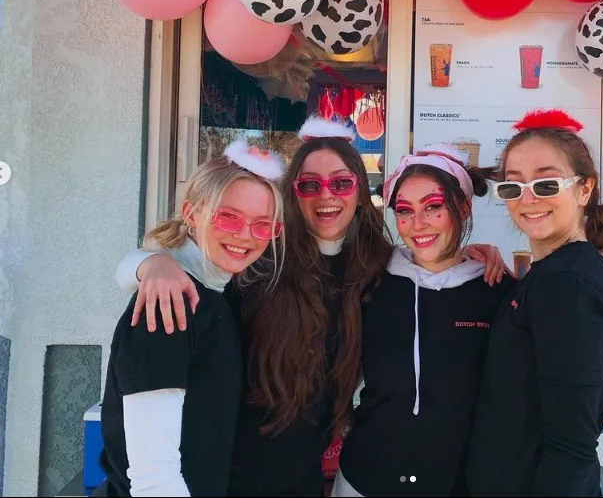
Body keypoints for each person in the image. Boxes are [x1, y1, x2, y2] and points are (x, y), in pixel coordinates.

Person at [114, 117, 508, 497]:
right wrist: (152, 263)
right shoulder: (262, 260)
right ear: (293, 193)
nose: (326, 195)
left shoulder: (374, 265)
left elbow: (430, 264)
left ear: (360, 191)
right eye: (309, 184)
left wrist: (471, 259)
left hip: (304, 475)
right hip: (234, 475)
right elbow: (200, 266)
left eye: (341, 182)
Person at [96, 139, 285, 497]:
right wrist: (152, 264)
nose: (245, 235)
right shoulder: (167, 305)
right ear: (192, 213)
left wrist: (149, 262)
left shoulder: (219, 294)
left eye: (263, 225)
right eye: (228, 216)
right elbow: (154, 478)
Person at [466, 109, 603, 497]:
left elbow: (572, 448)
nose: (527, 199)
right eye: (513, 186)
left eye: (545, 184)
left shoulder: (566, 284)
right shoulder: (557, 273)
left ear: (584, 189)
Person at [332, 145, 511, 498]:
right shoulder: (370, 281)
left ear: (463, 207)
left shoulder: (499, 293)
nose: (418, 224)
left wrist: (601, 391)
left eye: (433, 207)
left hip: (460, 485)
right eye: (404, 210)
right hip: (365, 481)